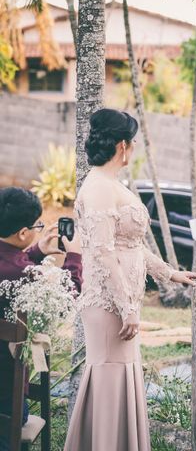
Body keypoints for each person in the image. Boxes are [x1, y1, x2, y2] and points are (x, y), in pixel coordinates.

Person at [64, 109, 196, 451]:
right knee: (111, 382)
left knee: (120, 379)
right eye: (134, 142)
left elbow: (133, 247)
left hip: (123, 305)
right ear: (124, 146)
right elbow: (102, 252)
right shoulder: (98, 187)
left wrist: (171, 273)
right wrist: (127, 308)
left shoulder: (113, 184)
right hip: (109, 305)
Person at [0, 187, 82, 451]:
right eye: (36, 226)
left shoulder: (18, 267)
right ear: (23, 232)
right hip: (6, 403)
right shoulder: (23, 273)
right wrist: (75, 256)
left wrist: (36, 251)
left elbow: (10, 265)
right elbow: (67, 295)